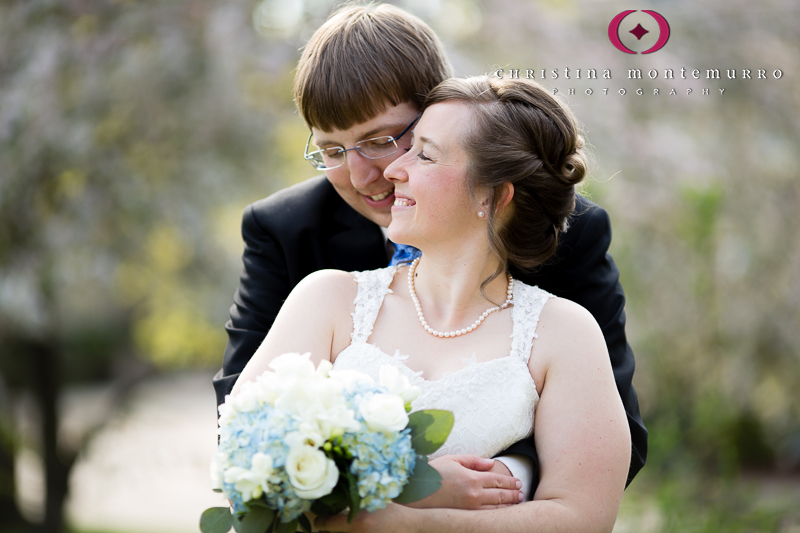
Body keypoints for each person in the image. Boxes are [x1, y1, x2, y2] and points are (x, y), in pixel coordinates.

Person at [213, 3, 646, 505]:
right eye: (332, 151)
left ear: (437, 116)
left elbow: (614, 438)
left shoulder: (565, 230)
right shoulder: (285, 233)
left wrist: (501, 478)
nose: (360, 177)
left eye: (380, 141)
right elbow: (243, 436)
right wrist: (417, 486)